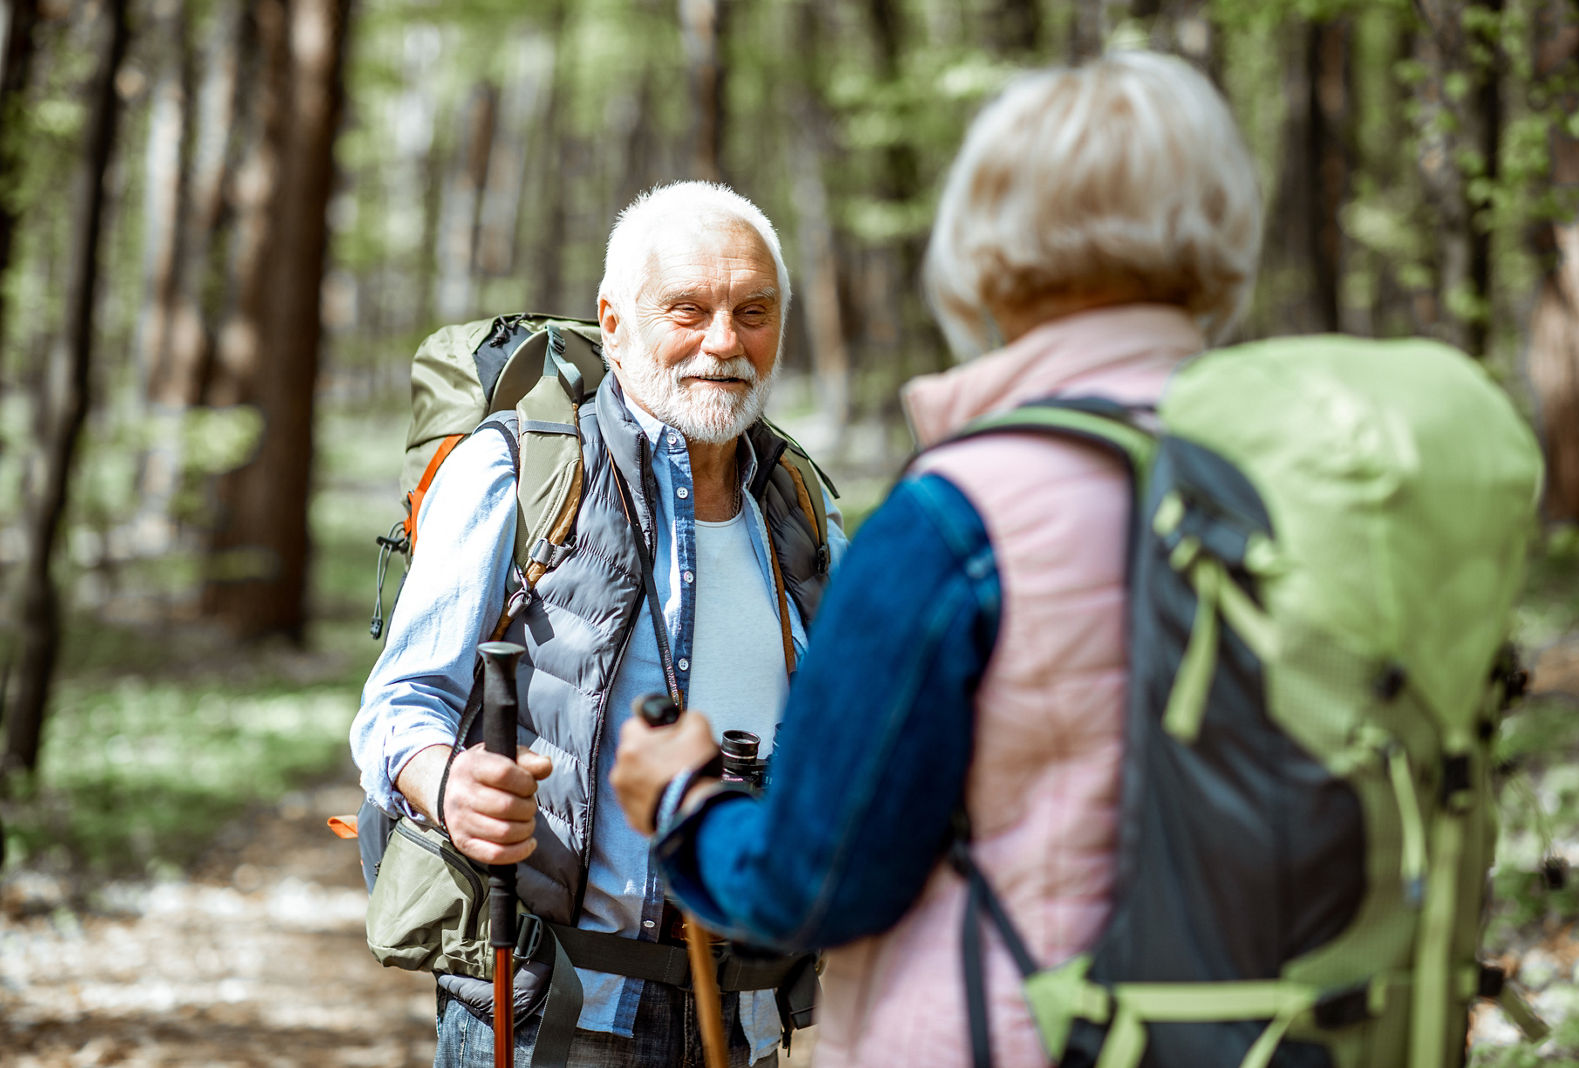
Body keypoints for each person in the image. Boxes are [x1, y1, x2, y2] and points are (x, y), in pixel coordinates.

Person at [610, 52, 1264, 1068]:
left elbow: (813, 882)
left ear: (985, 247)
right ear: (1224, 231)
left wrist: (686, 799)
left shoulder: (959, 516)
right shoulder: (1278, 474)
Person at [351, 179, 848, 1068]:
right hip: (558, 1012)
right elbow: (399, 708)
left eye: (754, 311)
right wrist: (450, 785)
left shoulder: (802, 504)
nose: (725, 342)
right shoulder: (516, 470)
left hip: (749, 1021)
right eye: (688, 310)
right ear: (614, 324)